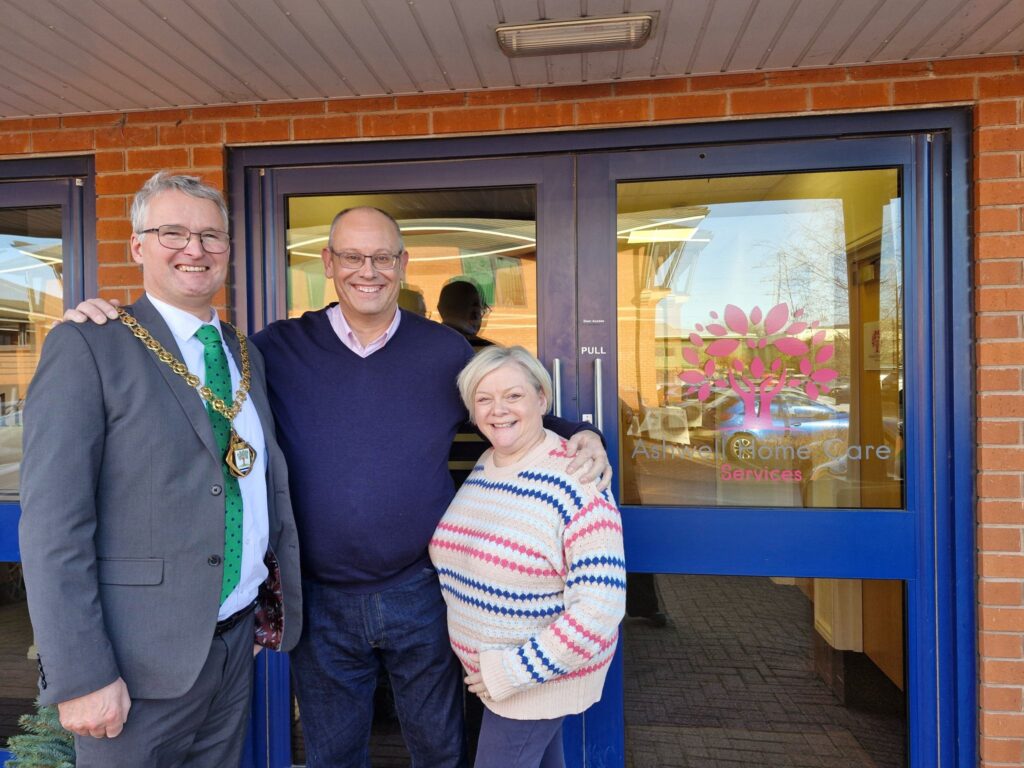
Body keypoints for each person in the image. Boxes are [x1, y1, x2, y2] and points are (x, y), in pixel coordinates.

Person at [65, 205, 610, 768]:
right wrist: (109, 320)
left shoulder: (443, 350)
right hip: (319, 599)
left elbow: (502, 404)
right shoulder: (273, 350)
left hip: (419, 591)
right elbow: (184, 366)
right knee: (333, 752)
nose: (366, 270)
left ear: (402, 264)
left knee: (439, 748)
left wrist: (581, 433)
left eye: (381, 257)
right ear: (328, 262)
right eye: (351, 256)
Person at [21, 172, 302, 767]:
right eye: (171, 232)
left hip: (231, 649)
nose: (194, 249)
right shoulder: (91, 345)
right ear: (137, 245)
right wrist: (81, 675)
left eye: (210, 235)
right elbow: (53, 524)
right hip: (133, 671)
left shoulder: (242, 352)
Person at [429, 345, 626, 768]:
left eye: (513, 396)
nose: (498, 410)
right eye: (484, 399)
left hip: (530, 682)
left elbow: (601, 607)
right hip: (495, 679)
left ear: (542, 399)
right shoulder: (488, 463)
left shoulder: (577, 477)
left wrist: (511, 672)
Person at [437, 278, 494, 350]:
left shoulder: (424, 341)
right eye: (482, 311)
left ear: (439, 309)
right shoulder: (488, 351)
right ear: (475, 313)